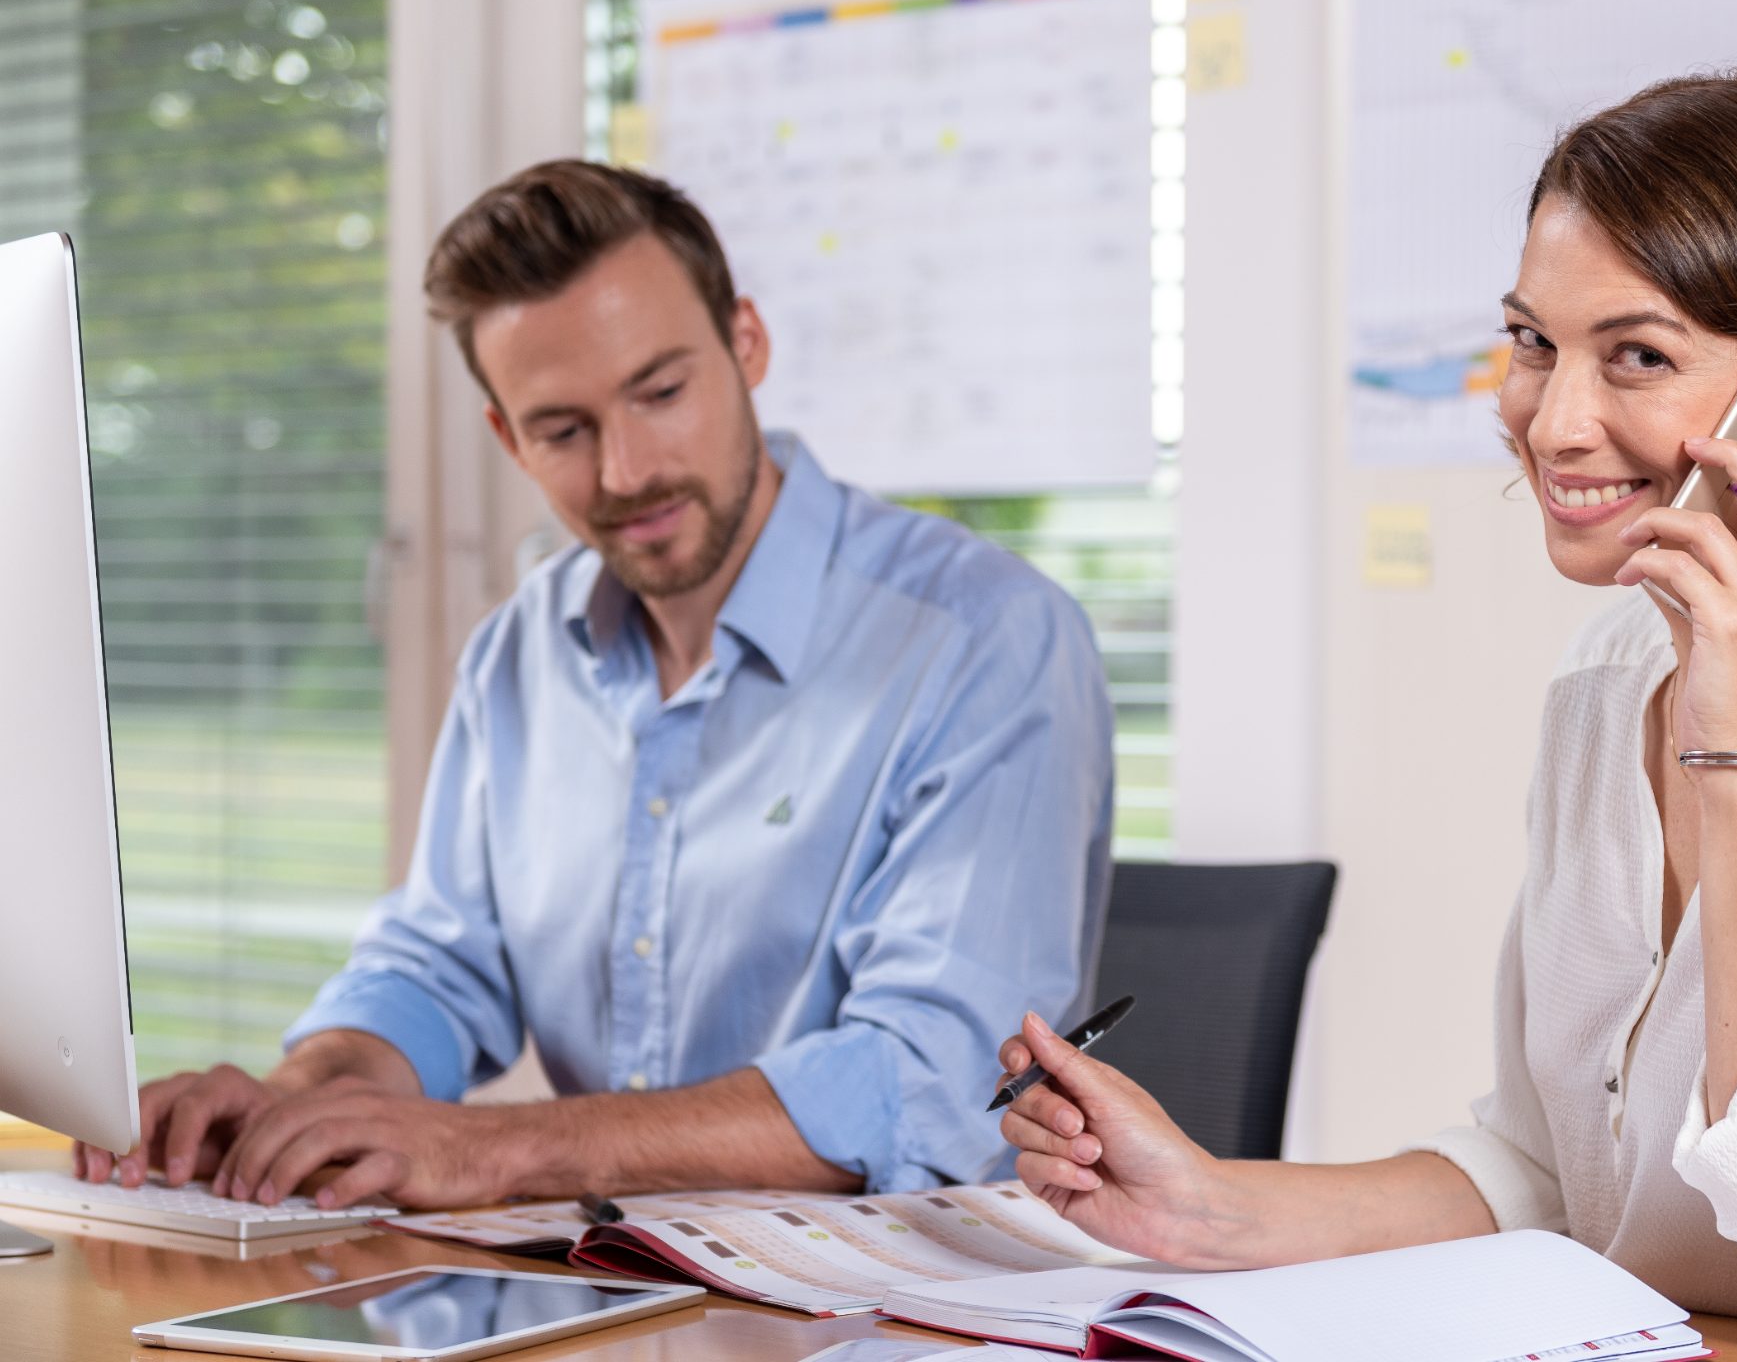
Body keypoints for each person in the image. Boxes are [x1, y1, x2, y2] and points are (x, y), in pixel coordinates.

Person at [992, 71, 1737, 1362]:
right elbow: (1554, 1175)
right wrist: (1210, 1208)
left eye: (1639, 356)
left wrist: (1733, 757)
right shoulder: (1612, 679)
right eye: (1536, 342)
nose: (1551, 421)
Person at [76, 160, 1115, 1210]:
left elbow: (929, 1079)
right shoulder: (517, 654)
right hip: (606, 1295)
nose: (624, 472)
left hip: (890, 1317)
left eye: (661, 393)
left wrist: (494, 1150)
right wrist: (297, 1103)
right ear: (506, 438)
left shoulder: (984, 639)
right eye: (562, 431)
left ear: (745, 343)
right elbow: (441, 969)